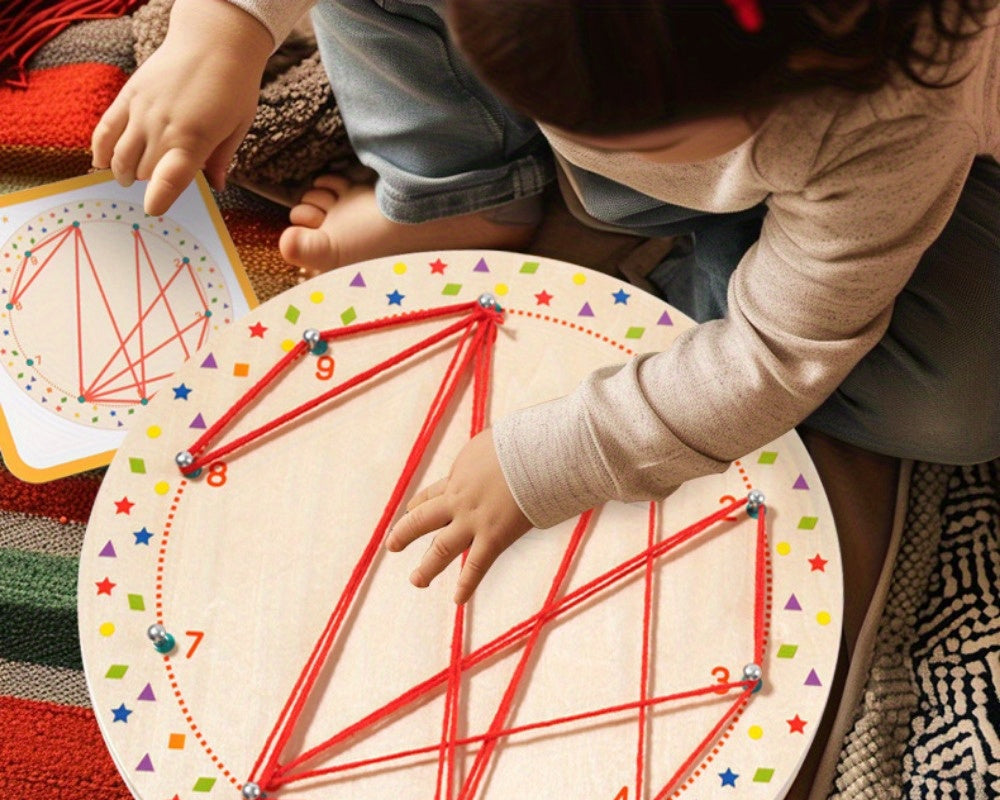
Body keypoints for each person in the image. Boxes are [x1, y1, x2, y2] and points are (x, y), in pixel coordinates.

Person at [92, 0, 1000, 654]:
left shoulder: (895, 100)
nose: (569, 138)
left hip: (861, 194)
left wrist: (563, 455)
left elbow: (783, 353)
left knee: (961, 403)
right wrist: (224, 29)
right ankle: (464, 195)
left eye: (622, 139)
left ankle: (701, 269)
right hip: (712, 137)